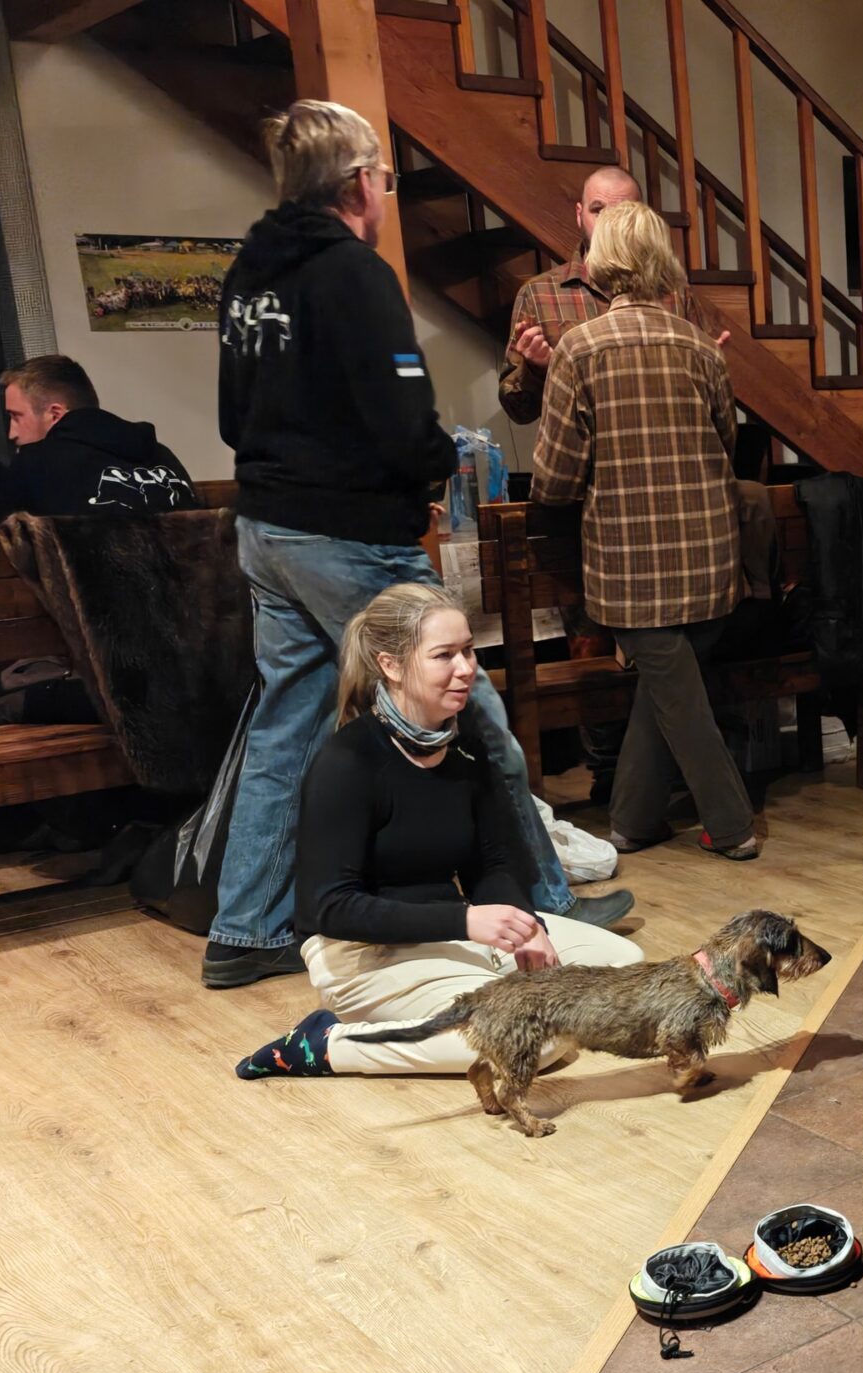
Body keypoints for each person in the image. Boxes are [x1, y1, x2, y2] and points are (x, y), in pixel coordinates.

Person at [208, 99, 618, 992]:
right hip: (351, 534)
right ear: (360, 182)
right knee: (470, 703)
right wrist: (434, 464)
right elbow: (403, 421)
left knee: (285, 727)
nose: (386, 194)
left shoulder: (249, 274)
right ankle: (545, 903)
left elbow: (232, 417)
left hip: (265, 527)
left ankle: (242, 930)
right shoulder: (353, 272)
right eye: (386, 179)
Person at [237, 583, 642, 1080]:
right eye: (444, 655)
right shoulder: (348, 762)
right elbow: (329, 908)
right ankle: (325, 1045)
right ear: (390, 666)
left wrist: (523, 927)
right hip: (363, 955)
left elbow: (493, 864)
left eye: (468, 650)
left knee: (625, 966)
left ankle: (491, 1006)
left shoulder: (465, 746)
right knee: (536, 1044)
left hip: (450, 933)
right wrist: (465, 921)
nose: (466, 668)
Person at [530, 201, 760, 861]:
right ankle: (632, 822)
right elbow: (725, 443)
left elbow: (554, 481)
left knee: (674, 693)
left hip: (630, 571)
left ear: (601, 264)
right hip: (713, 562)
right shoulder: (699, 347)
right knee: (670, 689)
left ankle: (733, 826)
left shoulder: (579, 350)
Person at [499, 164, 730, 425]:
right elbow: (517, 411)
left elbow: (709, 409)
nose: (609, 224)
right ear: (579, 214)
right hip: (585, 448)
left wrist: (708, 367)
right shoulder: (540, 294)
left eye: (622, 212)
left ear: (640, 218)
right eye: (598, 210)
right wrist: (537, 371)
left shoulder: (674, 292)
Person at [0, 355, 199, 518]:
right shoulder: (161, 454)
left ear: (55, 414)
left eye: (16, 416)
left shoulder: (32, 463)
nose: (12, 433)